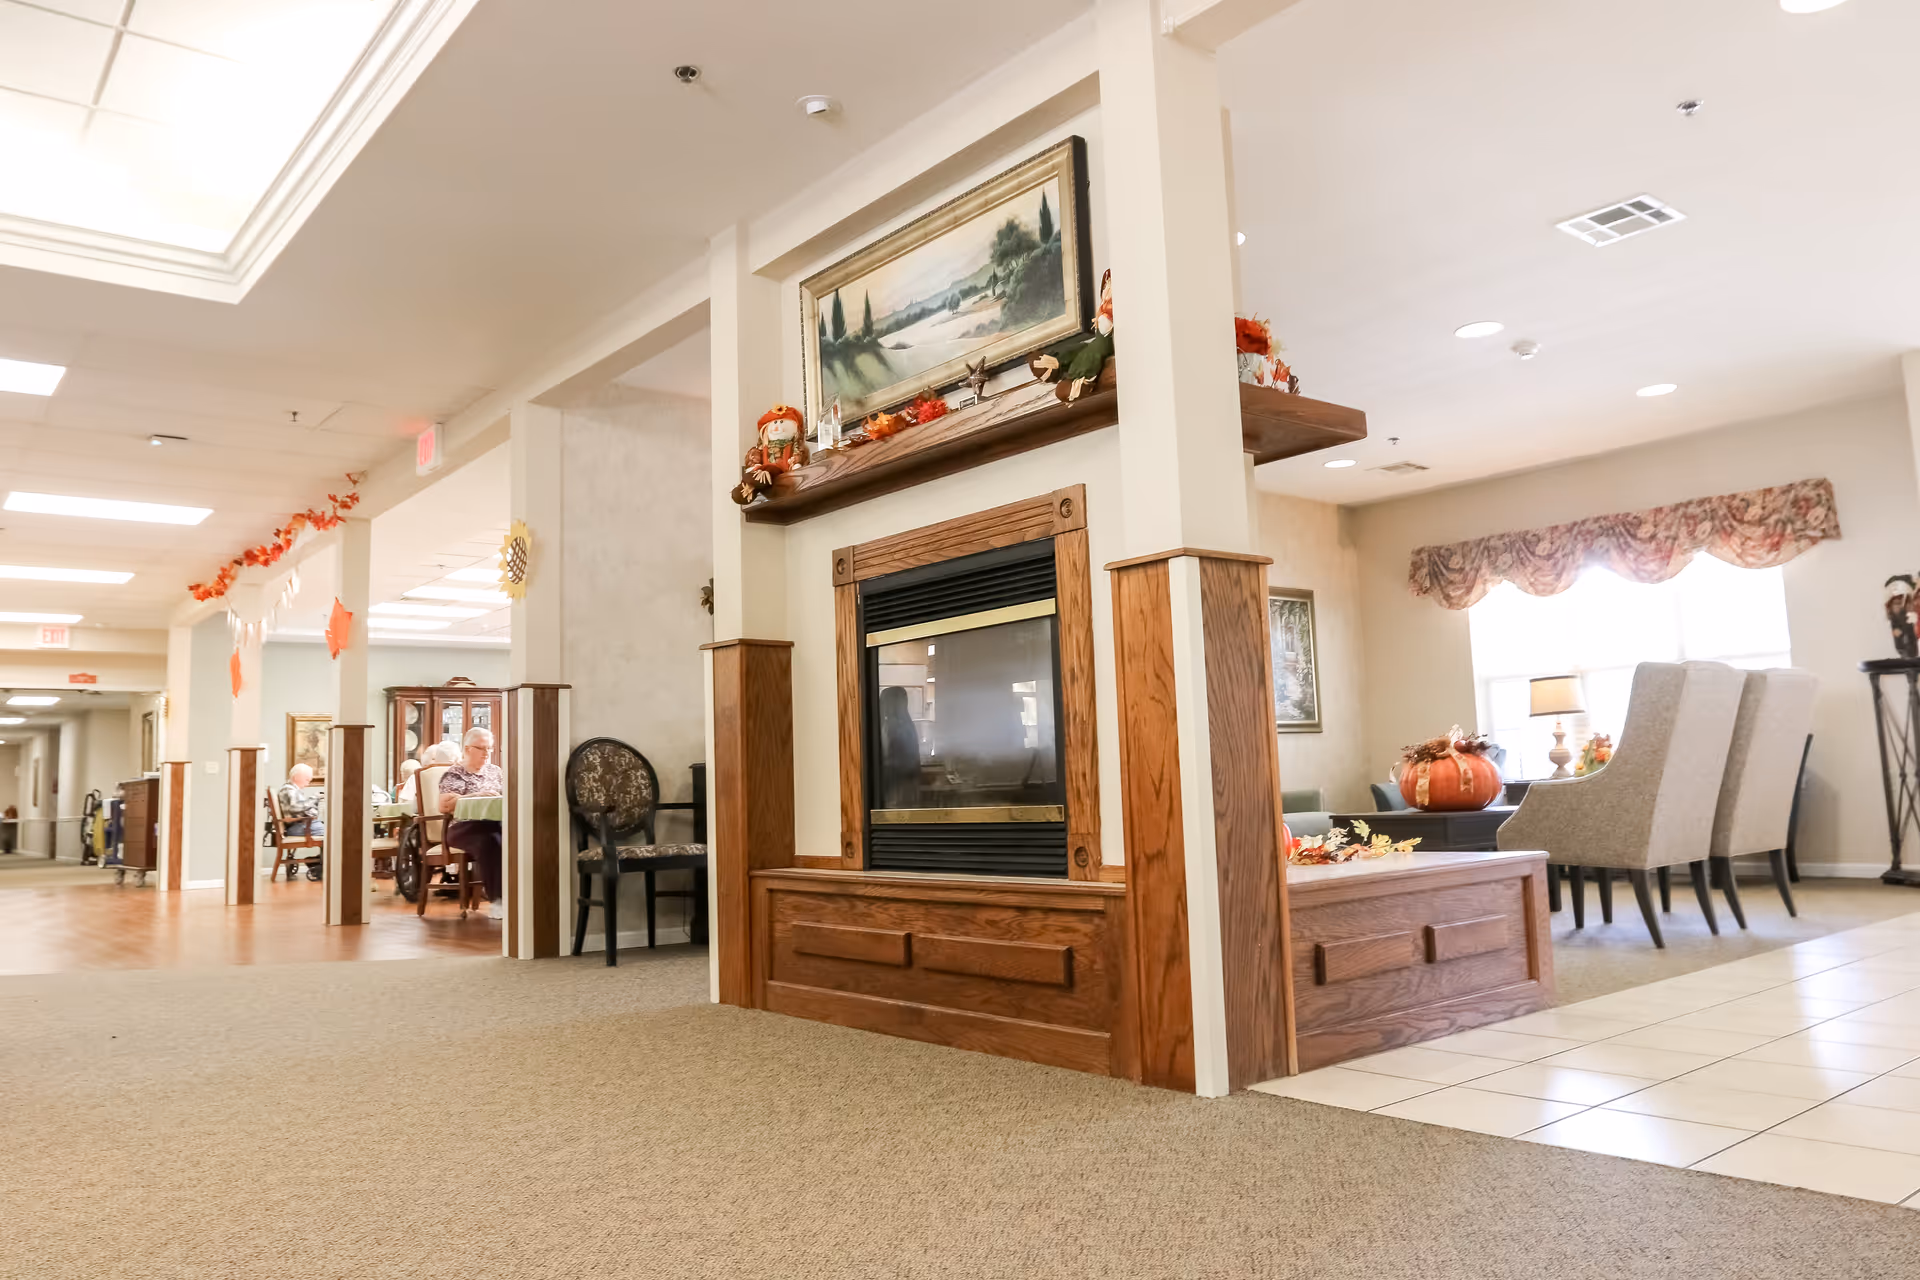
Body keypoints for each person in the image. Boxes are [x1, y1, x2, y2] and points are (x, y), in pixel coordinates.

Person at [436, 728, 504, 920]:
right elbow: (445, 805)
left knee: (510, 837)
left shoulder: (496, 772)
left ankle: (519, 897)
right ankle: (498, 901)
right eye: (481, 748)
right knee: (491, 841)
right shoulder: (455, 773)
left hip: (495, 824)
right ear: (467, 749)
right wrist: (477, 795)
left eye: (489, 748)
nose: (486, 753)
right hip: (463, 828)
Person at [277, 764, 325, 842]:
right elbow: (295, 808)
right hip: (299, 826)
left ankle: (322, 854)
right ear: (296, 777)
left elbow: (300, 808)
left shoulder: (292, 790)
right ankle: (324, 854)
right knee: (334, 834)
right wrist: (314, 797)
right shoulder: (288, 789)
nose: (308, 784)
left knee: (332, 832)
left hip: (302, 824)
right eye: (307, 780)